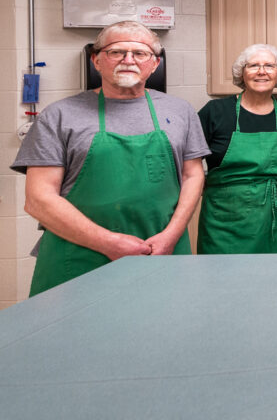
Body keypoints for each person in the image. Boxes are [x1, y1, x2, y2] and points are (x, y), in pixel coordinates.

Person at [12, 21, 209, 295]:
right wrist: (109, 243)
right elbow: (38, 200)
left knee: (163, 332)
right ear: (96, 60)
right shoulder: (59, 115)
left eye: (140, 53)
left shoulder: (180, 111)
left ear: (154, 64)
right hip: (80, 257)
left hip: (160, 251)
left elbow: (193, 175)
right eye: (116, 52)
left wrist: (171, 236)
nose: (128, 60)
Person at [197, 44, 277, 254]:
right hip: (223, 216)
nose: (262, 71)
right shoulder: (215, 112)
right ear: (241, 74)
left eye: (269, 66)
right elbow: (190, 161)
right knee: (222, 278)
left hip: (276, 216)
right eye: (253, 66)